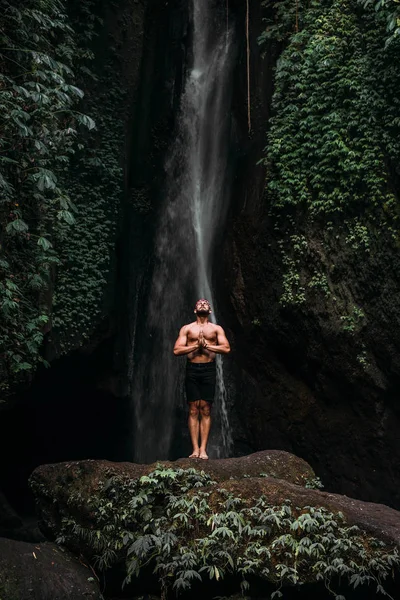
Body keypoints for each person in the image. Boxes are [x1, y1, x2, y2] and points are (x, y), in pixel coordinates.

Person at [173, 299, 230, 460]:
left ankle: (203, 450)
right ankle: (195, 449)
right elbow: (177, 350)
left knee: (205, 409)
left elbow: (226, 348)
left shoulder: (216, 329)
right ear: (194, 309)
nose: (203, 304)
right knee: (193, 409)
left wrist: (207, 346)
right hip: (192, 369)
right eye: (199, 303)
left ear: (210, 310)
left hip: (208, 369)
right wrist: (195, 346)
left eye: (206, 303)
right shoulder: (187, 329)